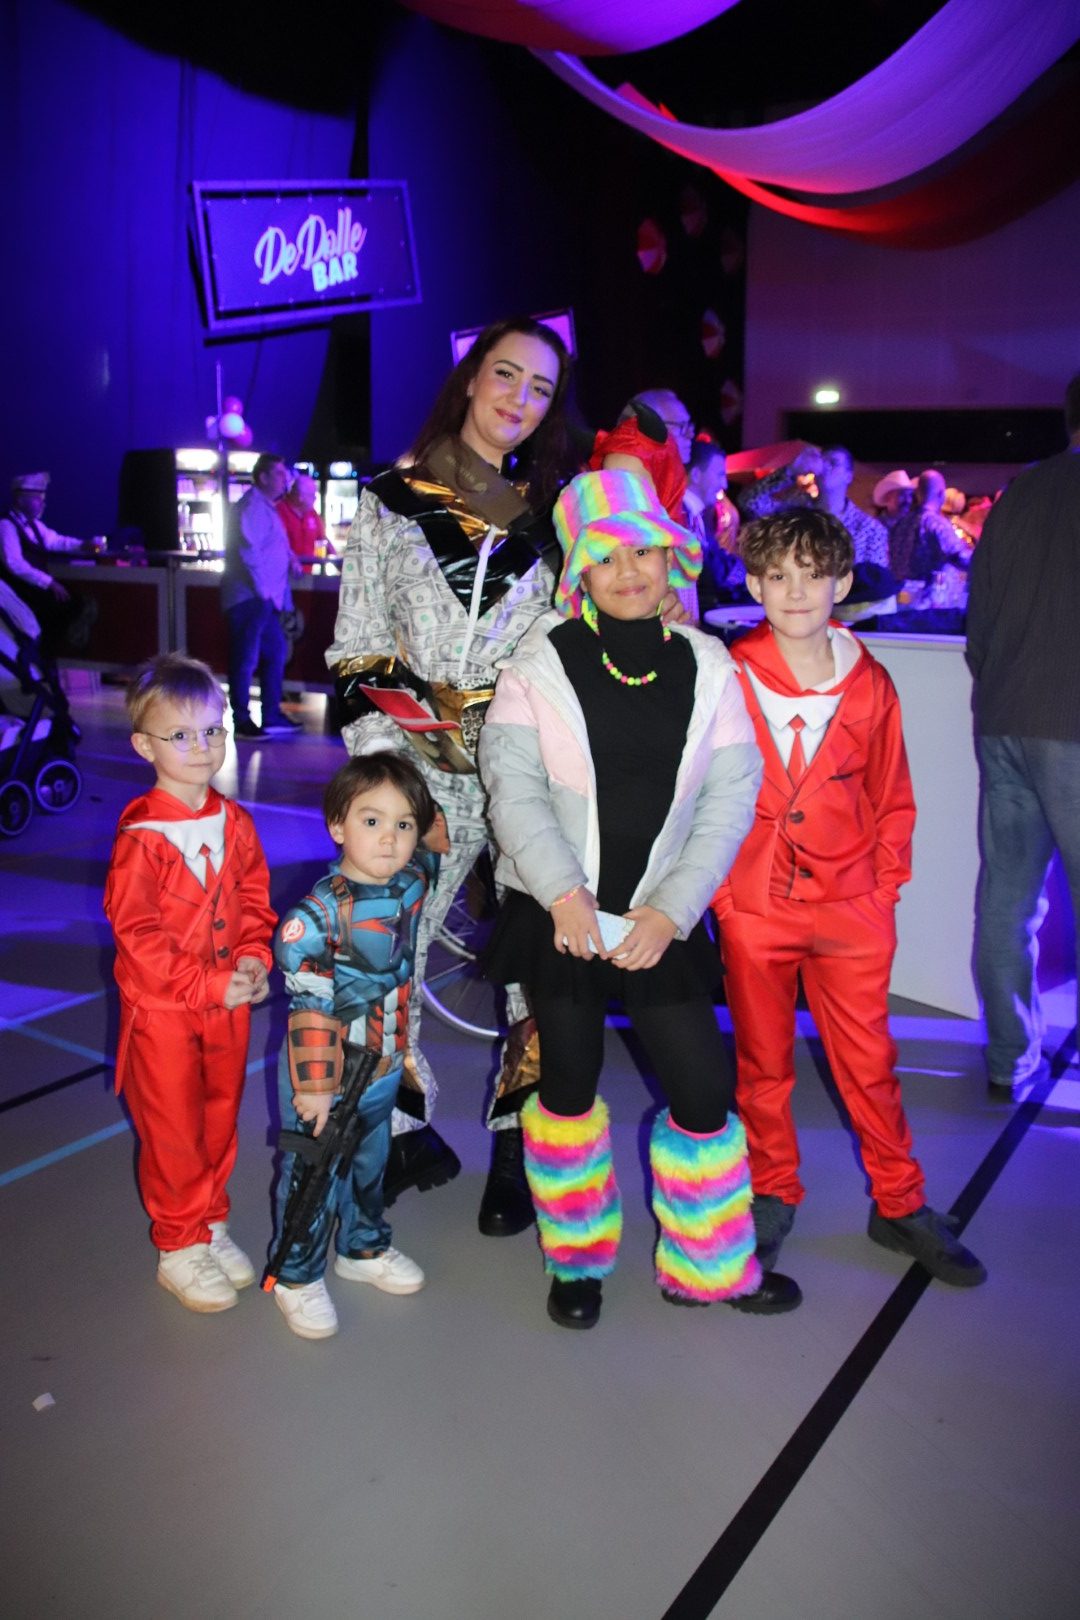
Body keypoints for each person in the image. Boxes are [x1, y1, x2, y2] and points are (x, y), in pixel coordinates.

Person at [478, 469, 801, 1329]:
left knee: (701, 1090)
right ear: (578, 572)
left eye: (645, 551)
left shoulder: (709, 665)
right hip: (560, 915)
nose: (628, 571)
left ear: (672, 560)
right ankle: (576, 1258)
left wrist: (670, 912)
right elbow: (513, 790)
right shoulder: (537, 665)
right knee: (568, 1085)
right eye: (605, 556)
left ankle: (710, 1262)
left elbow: (732, 798)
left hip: (662, 915)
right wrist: (565, 898)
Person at [326, 316, 577, 1236]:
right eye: (506, 374)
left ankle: (521, 1144)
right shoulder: (390, 501)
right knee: (384, 954)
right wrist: (406, 784)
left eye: (540, 388)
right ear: (471, 378)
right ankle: (398, 1131)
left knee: (534, 971)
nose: (519, 398)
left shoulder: (560, 522)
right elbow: (357, 649)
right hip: (414, 766)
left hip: (528, 775)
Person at [711, 509, 986, 1287]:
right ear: (755, 584)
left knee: (870, 1064)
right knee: (763, 1065)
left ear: (840, 582)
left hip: (851, 909)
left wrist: (882, 891)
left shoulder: (871, 683)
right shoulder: (728, 676)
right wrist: (725, 899)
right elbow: (700, 794)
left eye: (813, 575)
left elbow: (892, 796)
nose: (796, 591)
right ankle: (772, 1191)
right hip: (756, 907)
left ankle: (899, 1201)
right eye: (778, 576)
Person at [103, 655, 276, 1312]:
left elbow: (254, 900)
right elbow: (138, 936)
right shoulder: (142, 836)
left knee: (218, 1117)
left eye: (212, 730)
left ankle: (209, 1220)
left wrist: (254, 958)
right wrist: (206, 985)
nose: (201, 747)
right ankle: (178, 1244)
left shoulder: (235, 822)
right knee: (174, 1128)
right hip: (166, 1014)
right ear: (144, 746)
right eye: (181, 735)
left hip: (226, 1007)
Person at [268, 752, 448, 1340]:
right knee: (314, 1175)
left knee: (371, 1168)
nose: (389, 838)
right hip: (330, 1074)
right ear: (337, 826)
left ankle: (363, 1247)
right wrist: (316, 1088)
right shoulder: (317, 917)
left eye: (403, 824)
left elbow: (432, 849)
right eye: (371, 821)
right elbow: (309, 1006)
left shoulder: (413, 883)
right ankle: (296, 1275)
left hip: (384, 1065)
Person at [966, 372, 1080, 1100]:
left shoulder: (1019, 494)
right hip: (1072, 720)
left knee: (1007, 901)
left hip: (1005, 717)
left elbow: (978, 617)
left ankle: (1010, 1058)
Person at [221, 453, 302, 740]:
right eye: (279, 474)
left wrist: (290, 557)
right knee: (245, 658)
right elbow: (250, 552)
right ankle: (242, 719)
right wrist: (265, 592)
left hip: (262, 599)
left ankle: (270, 714)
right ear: (263, 477)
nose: (285, 480)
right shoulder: (253, 506)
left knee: (275, 652)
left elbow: (269, 544)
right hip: (250, 598)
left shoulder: (265, 507)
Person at [741, 444, 890, 570]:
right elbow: (749, 502)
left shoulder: (870, 531)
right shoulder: (793, 514)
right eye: (823, 462)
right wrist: (790, 471)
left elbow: (877, 584)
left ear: (848, 476)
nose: (825, 467)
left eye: (833, 463)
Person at [0, 471, 96, 652]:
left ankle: (49, 653)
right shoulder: (6, 525)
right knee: (65, 607)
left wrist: (83, 545)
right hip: (20, 588)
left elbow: (55, 541)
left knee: (80, 603)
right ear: (20, 500)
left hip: (34, 585)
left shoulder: (34, 524)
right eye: (37, 498)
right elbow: (14, 563)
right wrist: (49, 582)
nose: (42, 503)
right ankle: (43, 655)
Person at [277, 470, 328, 565]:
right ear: (300, 497)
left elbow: (322, 540)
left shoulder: (312, 514)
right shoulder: (278, 512)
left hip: (308, 571)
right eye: (312, 495)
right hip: (283, 571)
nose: (315, 498)